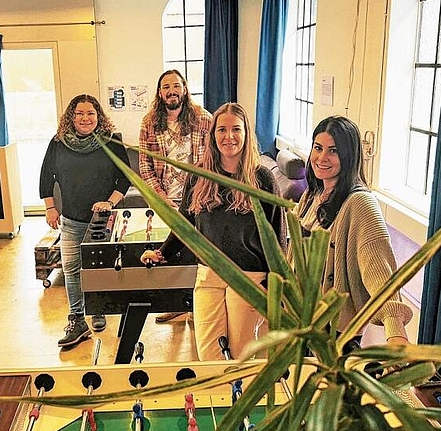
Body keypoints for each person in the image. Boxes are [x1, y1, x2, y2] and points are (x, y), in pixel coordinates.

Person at [140, 103, 287, 360]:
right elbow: (185, 221)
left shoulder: (262, 178)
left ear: (246, 133)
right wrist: (163, 252)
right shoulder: (198, 175)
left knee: (241, 355)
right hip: (208, 275)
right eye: (222, 129)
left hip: (248, 277)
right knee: (209, 357)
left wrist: (276, 286)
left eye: (235, 129)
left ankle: (239, 400)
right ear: (213, 134)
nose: (228, 136)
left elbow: (277, 233)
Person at [292, 115, 412, 349]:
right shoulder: (312, 195)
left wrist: (395, 331)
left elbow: (380, 270)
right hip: (301, 321)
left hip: (334, 334)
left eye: (333, 151)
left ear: (349, 157)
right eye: (318, 148)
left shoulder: (360, 204)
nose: (322, 158)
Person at [39, 94, 131, 348]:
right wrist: (50, 208)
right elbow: (46, 177)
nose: (85, 118)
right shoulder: (58, 143)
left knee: (98, 268)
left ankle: (98, 309)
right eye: (79, 113)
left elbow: (124, 178)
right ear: (71, 116)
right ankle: (77, 319)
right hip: (71, 220)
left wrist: (109, 202)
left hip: (103, 220)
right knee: (71, 269)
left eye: (90, 113)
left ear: (98, 116)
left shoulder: (111, 142)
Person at [139, 69, 213, 323]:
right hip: (166, 202)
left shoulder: (203, 118)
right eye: (166, 87)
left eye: (176, 85)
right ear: (160, 93)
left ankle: (195, 307)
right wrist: (160, 197)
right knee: (172, 252)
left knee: (195, 256)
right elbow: (145, 165)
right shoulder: (149, 123)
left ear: (184, 88)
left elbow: (214, 160)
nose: (171, 90)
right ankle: (177, 302)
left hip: (198, 200)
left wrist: (201, 193)